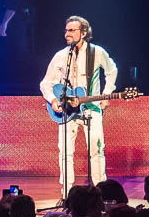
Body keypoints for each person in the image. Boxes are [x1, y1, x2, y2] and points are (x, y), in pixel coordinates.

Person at [39, 15, 120, 196]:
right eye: (66, 30)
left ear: (83, 33)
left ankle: (101, 192)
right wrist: (53, 100)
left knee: (96, 150)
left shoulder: (96, 52)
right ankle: (67, 194)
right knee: (65, 152)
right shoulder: (61, 56)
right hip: (67, 111)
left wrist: (107, 94)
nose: (66, 34)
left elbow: (112, 71)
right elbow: (45, 83)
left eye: (71, 30)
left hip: (91, 108)